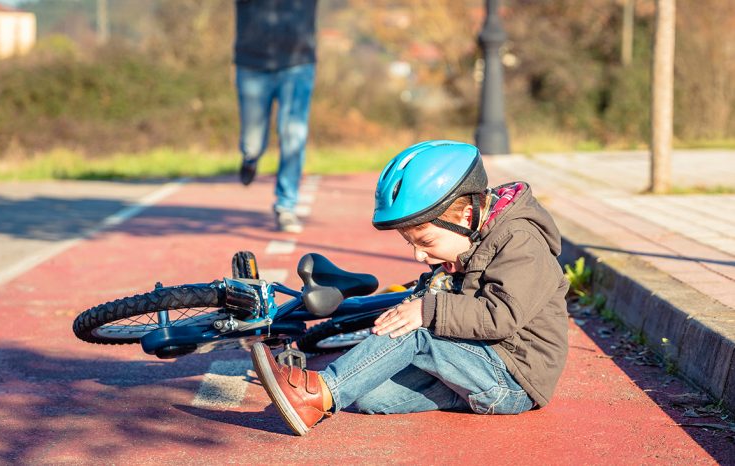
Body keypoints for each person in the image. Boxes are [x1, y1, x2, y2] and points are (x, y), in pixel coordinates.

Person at [250, 140, 570, 436]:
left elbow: (500, 316)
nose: (418, 255)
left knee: (417, 330)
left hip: (513, 376)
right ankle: (338, 390)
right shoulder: (467, 240)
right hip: (478, 362)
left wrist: (426, 309)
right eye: (411, 243)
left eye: (426, 242)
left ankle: (316, 396)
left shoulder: (521, 242)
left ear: (468, 216)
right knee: (366, 394)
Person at [233, 0, 318, 233]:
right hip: (251, 63)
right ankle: (250, 158)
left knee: (293, 135)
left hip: (297, 63)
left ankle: (286, 206)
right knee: (252, 141)